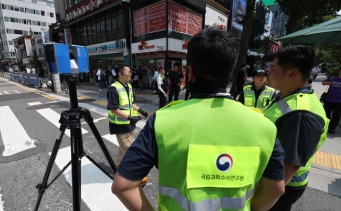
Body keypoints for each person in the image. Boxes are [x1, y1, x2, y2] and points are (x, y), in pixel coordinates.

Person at [112, 28, 285, 211]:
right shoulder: (266, 127)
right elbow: (276, 189)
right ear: (230, 73)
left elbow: (122, 186)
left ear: (189, 73)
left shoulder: (163, 122)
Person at [264, 45, 329, 211]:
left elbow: (288, 167)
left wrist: (260, 203)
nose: (268, 72)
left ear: (292, 73)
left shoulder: (302, 114)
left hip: (280, 187)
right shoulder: (286, 96)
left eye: (272, 68)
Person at [106, 63, 149, 181]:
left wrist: (140, 110)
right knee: (129, 149)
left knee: (124, 147)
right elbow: (113, 109)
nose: (131, 74)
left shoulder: (129, 86)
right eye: (128, 72)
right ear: (120, 74)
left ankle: (118, 167)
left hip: (129, 124)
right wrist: (129, 117)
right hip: (119, 125)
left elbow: (131, 104)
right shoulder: (113, 88)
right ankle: (129, 174)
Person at [321, 67, 341, 134]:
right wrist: (328, 83)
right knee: (326, 114)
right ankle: (326, 125)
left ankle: (332, 128)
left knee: (337, 116)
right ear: (339, 71)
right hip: (329, 99)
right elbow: (323, 83)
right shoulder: (333, 78)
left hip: (339, 102)